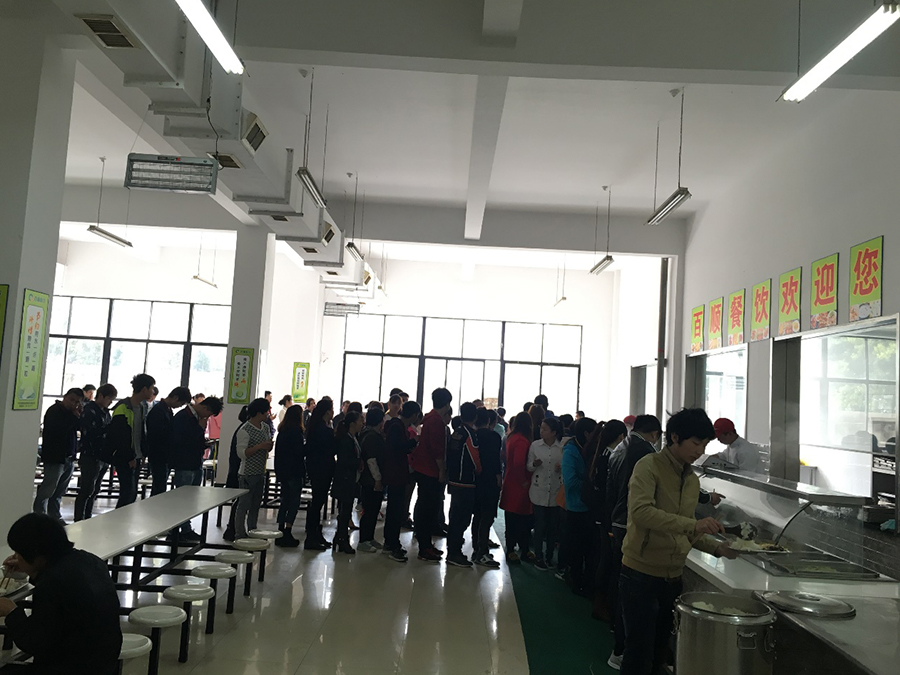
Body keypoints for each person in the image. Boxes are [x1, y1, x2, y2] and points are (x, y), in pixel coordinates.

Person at [619, 409, 737, 675]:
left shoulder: (692, 480)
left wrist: (717, 547)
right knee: (638, 652)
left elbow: (685, 527)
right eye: (695, 443)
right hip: (640, 575)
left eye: (704, 445)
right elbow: (641, 512)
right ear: (674, 437)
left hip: (673, 577)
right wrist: (693, 525)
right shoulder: (649, 466)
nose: (700, 451)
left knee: (661, 651)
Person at [0, 514, 122, 675]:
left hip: (72, 667)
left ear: (37, 556)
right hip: (105, 661)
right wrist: (31, 570)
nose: (16, 557)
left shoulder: (52, 583)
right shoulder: (90, 561)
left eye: (19, 553)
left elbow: (33, 643)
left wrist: (11, 612)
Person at [606, 413, 662, 668]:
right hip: (632, 524)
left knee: (622, 584)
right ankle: (621, 649)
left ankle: (618, 640)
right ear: (655, 434)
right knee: (631, 590)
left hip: (617, 521)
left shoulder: (620, 448)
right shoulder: (646, 454)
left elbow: (610, 489)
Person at [585, 419, 627, 624]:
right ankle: (602, 603)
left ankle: (599, 601)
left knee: (603, 558)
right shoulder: (611, 457)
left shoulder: (602, 454)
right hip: (607, 516)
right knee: (607, 560)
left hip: (601, 514)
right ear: (621, 437)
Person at [169, 396, 224, 541]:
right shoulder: (183, 416)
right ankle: (175, 531)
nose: (208, 417)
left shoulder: (196, 418)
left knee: (190, 500)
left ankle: (186, 529)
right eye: (209, 414)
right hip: (184, 464)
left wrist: (203, 442)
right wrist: (199, 428)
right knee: (182, 499)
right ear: (205, 408)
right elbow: (180, 441)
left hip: (195, 462)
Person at [411, 387, 452, 562]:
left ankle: (426, 544)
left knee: (426, 507)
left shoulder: (430, 418)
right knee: (427, 509)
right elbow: (437, 450)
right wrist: (442, 470)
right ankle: (424, 547)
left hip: (424, 468)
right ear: (447, 404)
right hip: (430, 470)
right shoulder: (436, 421)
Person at [106, 373, 156, 508]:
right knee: (127, 493)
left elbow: (141, 432)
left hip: (137, 456)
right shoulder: (122, 407)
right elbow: (120, 436)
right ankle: (117, 519)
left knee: (132, 493)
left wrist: (143, 452)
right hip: (125, 457)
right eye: (151, 388)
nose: (152, 392)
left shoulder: (142, 407)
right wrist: (129, 456)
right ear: (144, 389)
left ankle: (123, 519)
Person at [34, 388, 83, 521]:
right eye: (71, 400)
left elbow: (79, 428)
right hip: (55, 457)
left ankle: (54, 516)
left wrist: (79, 415)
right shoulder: (54, 411)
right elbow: (59, 430)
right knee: (48, 489)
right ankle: (39, 516)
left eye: (77, 402)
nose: (73, 404)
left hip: (69, 457)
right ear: (65, 397)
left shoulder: (73, 413)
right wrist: (74, 417)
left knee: (60, 490)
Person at [381, 401, 421, 562]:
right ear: (414, 415)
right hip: (395, 473)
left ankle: (391, 542)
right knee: (395, 510)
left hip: (396, 472)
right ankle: (392, 544)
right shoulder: (397, 427)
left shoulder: (397, 425)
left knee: (395, 509)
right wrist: (414, 441)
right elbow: (397, 448)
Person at [562, 417, 597, 595]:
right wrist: (592, 485)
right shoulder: (571, 451)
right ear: (586, 433)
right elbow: (570, 482)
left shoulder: (588, 449)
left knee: (588, 549)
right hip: (576, 507)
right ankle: (575, 581)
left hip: (589, 508)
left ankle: (585, 581)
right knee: (576, 549)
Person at [73, 384, 117, 522]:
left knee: (95, 489)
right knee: (87, 489)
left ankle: (88, 517)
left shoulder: (105, 412)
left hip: (103, 455)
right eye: (109, 399)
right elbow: (90, 432)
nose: (110, 402)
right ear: (101, 396)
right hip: (90, 455)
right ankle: (79, 518)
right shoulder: (89, 410)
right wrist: (108, 429)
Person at [445, 402, 481, 568]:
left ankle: (452, 549)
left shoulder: (456, 432)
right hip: (465, 482)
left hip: (453, 479)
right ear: (475, 417)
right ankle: (455, 553)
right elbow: (475, 457)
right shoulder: (469, 434)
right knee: (462, 518)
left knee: (454, 516)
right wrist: (479, 470)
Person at [233, 398, 274, 540]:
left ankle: (252, 530)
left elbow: (266, 447)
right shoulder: (245, 430)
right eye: (266, 411)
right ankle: (239, 533)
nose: (268, 414)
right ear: (259, 412)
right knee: (243, 505)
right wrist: (260, 446)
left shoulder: (265, 427)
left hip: (260, 471)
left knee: (256, 504)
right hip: (247, 473)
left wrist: (268, 446)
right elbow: (241, 454)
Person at [528, 416, 565, 571]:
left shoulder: (561, 448)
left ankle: (549, 557)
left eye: (545, 429)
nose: (541, 431)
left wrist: (561, 468)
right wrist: (534, 464)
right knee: (540, 526)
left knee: (552, 528)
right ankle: (539, 556)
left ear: (554, 432)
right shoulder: (535, 445)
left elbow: (565, 469)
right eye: (541, 428)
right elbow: (528, 467)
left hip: (555, 492)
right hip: (539, 491)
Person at [500, 411, 534, 564]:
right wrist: (524, 481)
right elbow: (519, 463)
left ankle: (512, 549)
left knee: (511, 519)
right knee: (522, 519)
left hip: (510, 482)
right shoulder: (522, 441)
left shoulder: (511, 438)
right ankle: (521, 549)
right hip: (519, 485)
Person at [145, 386, 192, 497]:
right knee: (159, 486)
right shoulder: (158, 411)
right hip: (159, 454)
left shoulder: (166, 410)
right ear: (175, 398)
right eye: (181, 403)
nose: (180, 406)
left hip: (164, 455)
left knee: (161, 485)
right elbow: (156, 434)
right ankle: (155, 506)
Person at [472, 408, 502, 569]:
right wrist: (499, 477)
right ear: (490, 421)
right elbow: (495, 460)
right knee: (487, 516)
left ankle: (477, 548)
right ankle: (482, 551)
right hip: (490, 480)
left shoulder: (473, 435)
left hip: (475, 480)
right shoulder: (494, 437)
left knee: (477, 515)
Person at [304, 398, 335, 550]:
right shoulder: (323, 429)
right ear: (327, 412)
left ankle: (315, 533)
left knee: (318, 501)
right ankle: (311, 536)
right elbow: (330, 448)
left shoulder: (316, 426)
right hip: (322, 468)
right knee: (318, 502)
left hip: (316, 467)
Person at [332, 411, 364, 554]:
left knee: (346, 510)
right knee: (344, 511)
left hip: (350, 479)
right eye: (360, 421)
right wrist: (358, 463)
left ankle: (340, 536)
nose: (362, 423)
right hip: (345, 479)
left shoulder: (353, 437)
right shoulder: (346, 439)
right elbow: (345, 460)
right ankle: (342, 539)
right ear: (352, 423)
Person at [274, 405, 305, 547]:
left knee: (284, 500)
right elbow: (299, 452)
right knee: (294, 501)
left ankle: (280, 529)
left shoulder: (282, 431)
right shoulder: (297, 432)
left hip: (283, 471)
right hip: (294, 471)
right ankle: (288, 529)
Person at [358, 407, 387, 553]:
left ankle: (369, 537)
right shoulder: (371, 437)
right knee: (369, 509)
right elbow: (371, 460)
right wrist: (378, 479)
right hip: (371, 479)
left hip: (370, 478)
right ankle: (363, 540)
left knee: (374, 509)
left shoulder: (369, 434)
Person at [223, 405, 250, 542]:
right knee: (239, 503)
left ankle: (232, 528)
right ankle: (232, 529)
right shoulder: (244, 430)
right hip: (239, 471)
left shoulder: (242, 428)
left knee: (239, 502)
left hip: (236, 470)